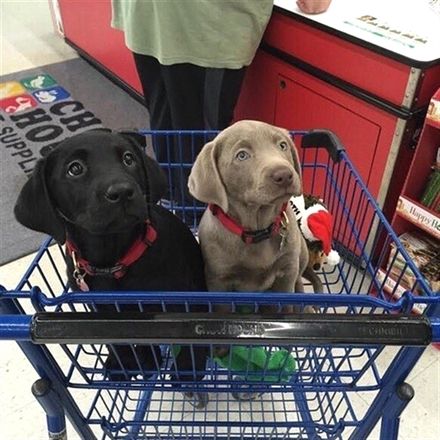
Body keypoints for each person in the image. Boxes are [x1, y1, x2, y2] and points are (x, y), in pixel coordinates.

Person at [111, 0, 332, 216]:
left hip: (160, 17)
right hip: (197, 23)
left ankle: (183, 217)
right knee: (195, 141)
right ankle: (194, 223)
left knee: (177, 133)